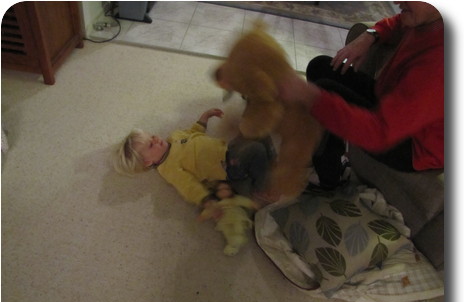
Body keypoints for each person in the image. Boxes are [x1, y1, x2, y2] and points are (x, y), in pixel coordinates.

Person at [279, 1, 444, 189]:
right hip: (393, 104)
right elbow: (399, 22)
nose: (397, 2)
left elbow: (379, 133)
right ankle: (316, 145)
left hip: (413, 146)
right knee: (321, 66)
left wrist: (310, 97)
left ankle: (331, 177)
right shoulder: (430, 18)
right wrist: (370, 36)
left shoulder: (440, 65)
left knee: (324, 92)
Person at [113, 108, 274, 206]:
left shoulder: (173, 137)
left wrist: (204, 117)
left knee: (256, 131)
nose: (155, 139)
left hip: (226, 148)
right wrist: (206, 200)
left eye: (152, 136)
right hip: (228, 165)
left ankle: (272, 160)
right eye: (150, 145)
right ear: (148, 162)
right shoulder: (168, 168)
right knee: (256, 149)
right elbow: (188, 186)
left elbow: (193, 131)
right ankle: (262, 188)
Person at [198, 180, 259, 256]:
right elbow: (209, 210)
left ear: (231, 190)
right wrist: (203, 216)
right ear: (216, 193)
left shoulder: (234, 199)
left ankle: (238, 238)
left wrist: (252, 204)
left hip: (236, 217)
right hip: (224, 221)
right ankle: (232, 244)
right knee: (227, 232)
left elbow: (244, 201)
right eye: (220, 190)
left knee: (238, 228)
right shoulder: (217, 204)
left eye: (226, 189)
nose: (223, 191)